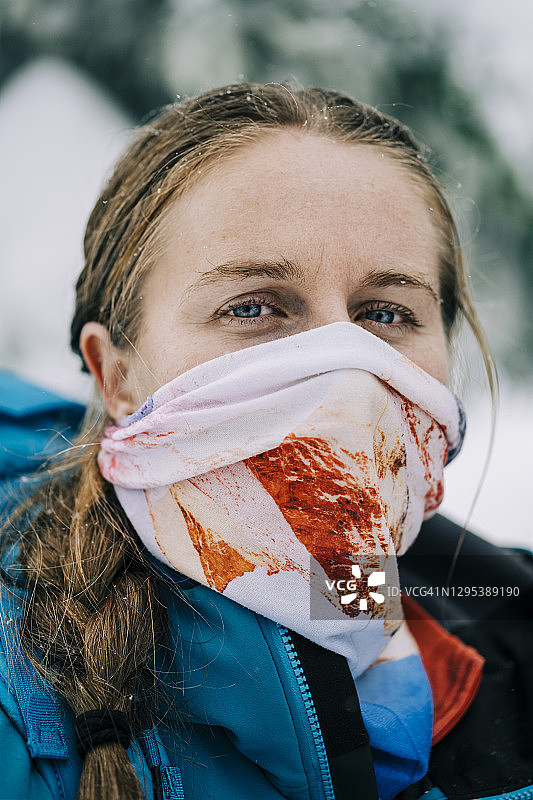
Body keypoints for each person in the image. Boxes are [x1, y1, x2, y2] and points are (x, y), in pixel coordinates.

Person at [0, 82, 532, 800]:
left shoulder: (508, 623)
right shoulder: (19, 705)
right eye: (252, 307)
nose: (342, 366)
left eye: (385, 312)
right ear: (114, 373)